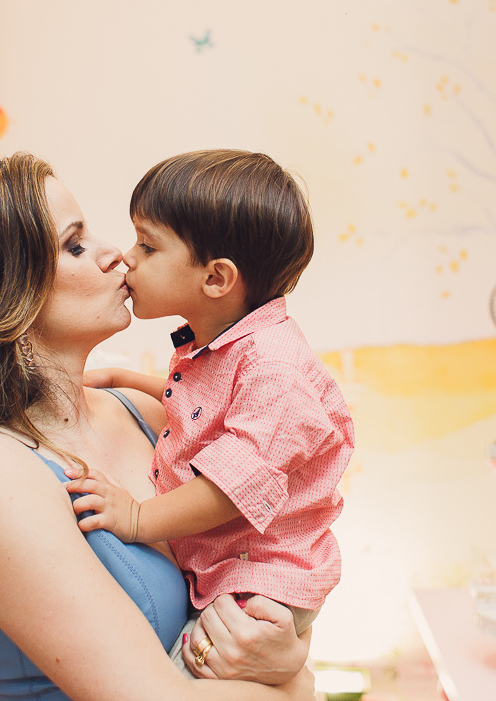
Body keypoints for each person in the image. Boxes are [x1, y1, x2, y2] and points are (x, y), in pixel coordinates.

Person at [0, 153, 314, 701]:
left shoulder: (144, 417)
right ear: (3, 294)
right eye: (74, 244)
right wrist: (296, 685)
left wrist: (286, 653)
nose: (114, 254)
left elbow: (263, 566)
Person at [77, 150, 354, 672]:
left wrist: (136, 518)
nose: (127, 257)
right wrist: (124, 379)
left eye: (148, 245)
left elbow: (231, 489)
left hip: (263, 582)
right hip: (236, 572)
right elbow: (209, 414)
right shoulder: (234, 345)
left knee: (192, 673)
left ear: (216, 279)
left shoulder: (275, 367)